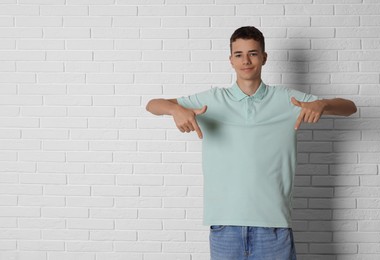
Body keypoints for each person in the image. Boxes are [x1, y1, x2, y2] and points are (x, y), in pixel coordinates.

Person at [146, 26, 357, 260]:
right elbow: (153, 104)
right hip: (225, 227)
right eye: (239, 54)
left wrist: (322, 104)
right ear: (231, 60)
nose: (246, 60)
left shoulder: (289, 100)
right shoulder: (212, 100)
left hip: (273, 227)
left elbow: (349, 108)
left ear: (264, 57)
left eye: (253, 53)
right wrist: (175, 109)